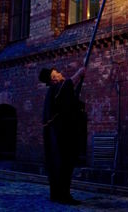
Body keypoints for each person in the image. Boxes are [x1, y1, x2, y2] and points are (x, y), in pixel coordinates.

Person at [39, 66, 86, 205]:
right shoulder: (55, 89)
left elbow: (68, 99)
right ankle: (63, 195)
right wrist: (79, 73)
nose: (60, 74)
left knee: (58, 165)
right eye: (57, 74)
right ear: (53, 79)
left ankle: (57, 194)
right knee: (63, 164)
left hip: (57, 136)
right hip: (61, 137)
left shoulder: (53, 92)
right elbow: (66, 87)